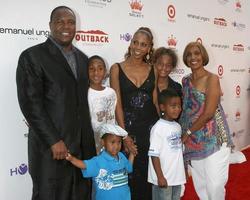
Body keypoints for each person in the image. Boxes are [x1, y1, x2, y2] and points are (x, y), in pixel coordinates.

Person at [16, 6, 96, 200]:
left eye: (70, 22)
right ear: (50, 25)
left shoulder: (84, 60)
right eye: (60, 21)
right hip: (50, 149)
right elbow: (31, 104)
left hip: (81, 150)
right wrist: (53, 140)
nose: (66, 26)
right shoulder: (32, 57)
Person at [110, 27, 159, 199]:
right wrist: (124, 136)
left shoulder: (153, 69)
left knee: (148, 175)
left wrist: (163, 130)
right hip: (128, 131)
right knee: (127, 177)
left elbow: (155, 101)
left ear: (149, 48)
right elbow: (117, 105)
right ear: (130, 43)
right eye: (135, 42)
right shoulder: (116, 68)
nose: (138, 47)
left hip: (150, 132)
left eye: (143, 44)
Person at [179, 42, 233, 200]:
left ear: (203, 56)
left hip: (213, 139)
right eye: (189, 54)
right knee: (200, 183)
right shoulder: (185, 81)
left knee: (215, 184)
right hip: (193, 142)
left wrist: (187, 132)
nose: (193, 57)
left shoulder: (212, 79)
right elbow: (187, 110)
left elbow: (209, 113)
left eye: (197, 53)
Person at [66, 123, 136, 200]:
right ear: (103, 142)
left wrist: (132, 154)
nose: (116, 146)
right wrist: (71, 158)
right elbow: (84, 165)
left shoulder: (121, 156)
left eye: (119, 142)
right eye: (112, 142)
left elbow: (129, 168)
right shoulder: (99, 160)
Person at [148, 89, 186, 200]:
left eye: (179, 106)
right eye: (173, 106)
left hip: (176, 177)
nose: (177, 109)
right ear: (163, 107)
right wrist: (160, 177)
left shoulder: (177, 126)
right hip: (163, 178)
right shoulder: (158, 128)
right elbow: (154, 154)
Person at [87, 55, 117, 154]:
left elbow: (113, 116)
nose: (96, 72)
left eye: (100, 68)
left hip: (111, 140)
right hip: (93, 141)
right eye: (92, 69)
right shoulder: (86, 93)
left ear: (105, 71)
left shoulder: (111, 92)